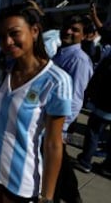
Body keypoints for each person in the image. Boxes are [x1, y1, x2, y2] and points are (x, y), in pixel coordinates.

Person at [0, 2, 72, 203]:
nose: (8, 42)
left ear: (34, 31)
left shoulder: (56, 80)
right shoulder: (6, 68)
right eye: (2, 36)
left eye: (14, 33)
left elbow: (53, 144)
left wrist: (47, 197)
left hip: (21, 180)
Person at [52, 13, 94, 203]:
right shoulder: (61, 52)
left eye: (75, 30)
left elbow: (76, 99)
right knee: (57, 161)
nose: (68, 31)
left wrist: (61, 127)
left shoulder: (79, 60)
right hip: (51, 118)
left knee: (58, 161)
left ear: (84, 36)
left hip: (60, 121)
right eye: (67, 26)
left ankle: (71, 196)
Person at [75, 54, 111, 176]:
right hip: (105, 104)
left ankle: (85, 161)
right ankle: (108, 166)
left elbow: (96, 79)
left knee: (93, 133)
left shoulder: (108, 60)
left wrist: (89, 95)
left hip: (103, 105)